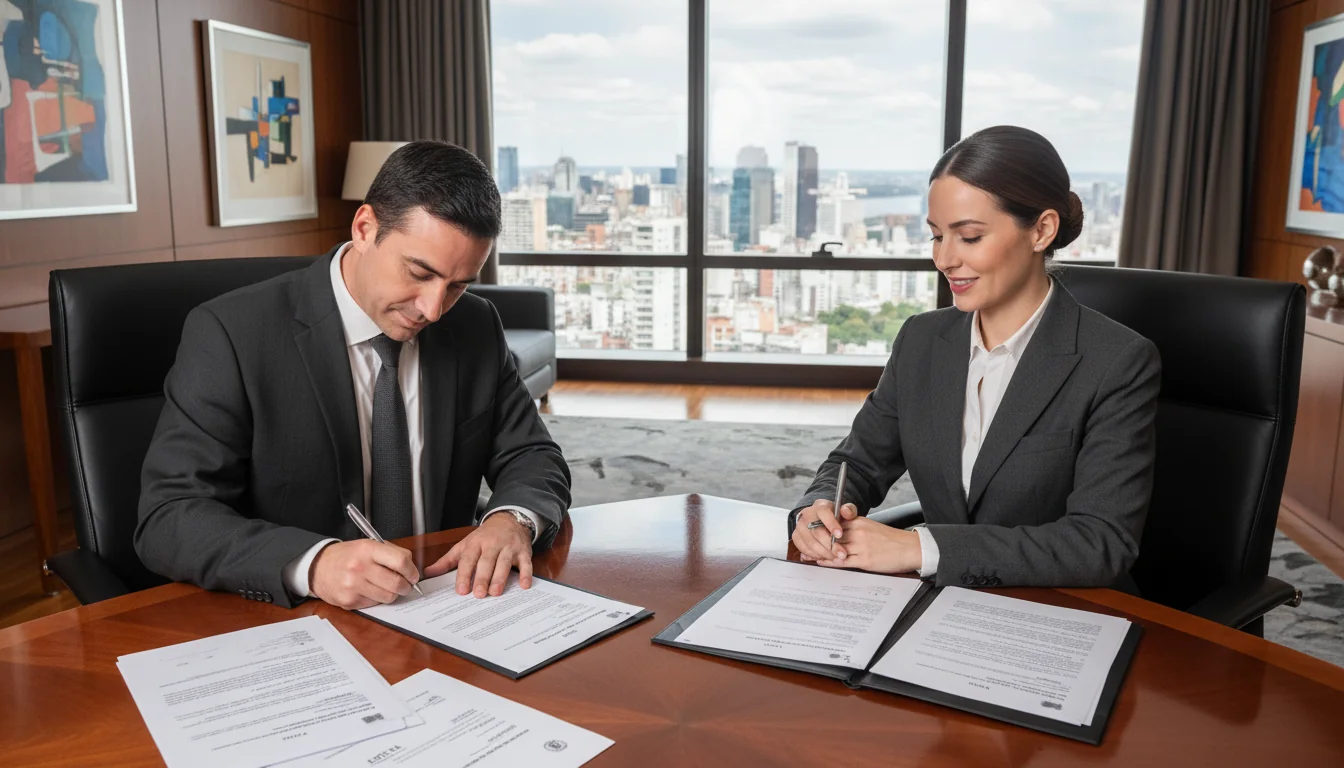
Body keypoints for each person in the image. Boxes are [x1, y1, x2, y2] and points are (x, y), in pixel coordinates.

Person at [136, 141, 570, 609]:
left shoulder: (475, 325)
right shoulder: (233, 334)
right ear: (365, 228)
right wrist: (314, 563)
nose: (434, 309)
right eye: (419, 272)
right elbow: (169, 516)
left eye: (457, 285)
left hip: (446, 606)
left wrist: (511, 520)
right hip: (297, 619)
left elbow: (532, 453)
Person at [789, 126, 1161, 591]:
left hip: (1060, 609)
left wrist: (918, 548)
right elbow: (857, 464)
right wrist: (820, 508)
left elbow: (1100, 543)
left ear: (1041, 230)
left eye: (968, 237)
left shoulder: (1117, 361)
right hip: (939, 601)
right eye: (936, 236)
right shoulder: (921, 339)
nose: (944, 259)